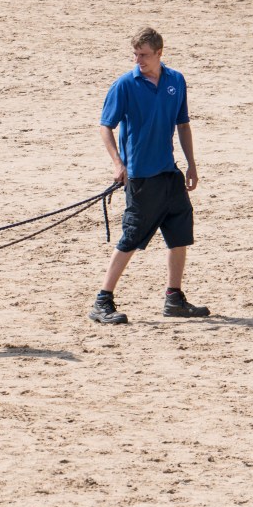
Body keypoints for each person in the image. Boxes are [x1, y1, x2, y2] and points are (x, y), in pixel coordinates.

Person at [88, 27, 211, 325]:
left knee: (179, 235)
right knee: (131, 237)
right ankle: (102, 300)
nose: (138, 60)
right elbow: (106, 127)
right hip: (141, 177)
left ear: (159, 53)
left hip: (169, 173)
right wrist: (118, 164)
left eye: (143, 54)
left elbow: (183, 124)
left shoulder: (176, 81)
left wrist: (191, 164)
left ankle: (174, 298)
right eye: (135, 54)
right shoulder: (125, 85)